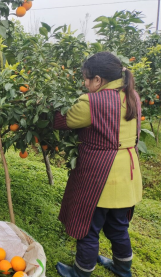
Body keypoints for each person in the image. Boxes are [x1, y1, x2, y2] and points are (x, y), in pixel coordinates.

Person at [53, 52, 142, 277]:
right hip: (128, 176)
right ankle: (123, 269)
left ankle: (81, 272)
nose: (84, 83)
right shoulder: (132, 96)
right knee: (118, 227)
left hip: (100, 177)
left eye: (86, 78)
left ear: (98, 80)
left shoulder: (91, 102)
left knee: (88, 228)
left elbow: (63, 121)